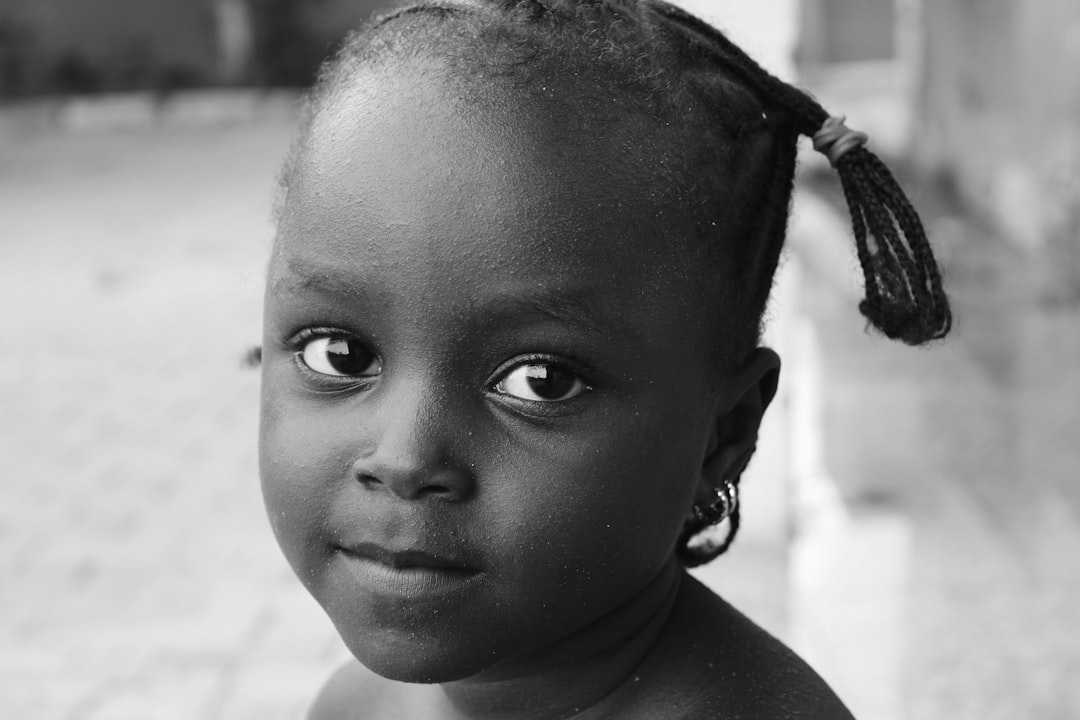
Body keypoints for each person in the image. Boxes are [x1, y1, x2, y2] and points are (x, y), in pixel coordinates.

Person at [257, 1, 951, 717]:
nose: (402, 459)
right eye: (338, 355)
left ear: (726, 433)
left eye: (541, 381)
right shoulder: (356, 705)